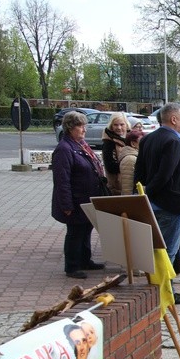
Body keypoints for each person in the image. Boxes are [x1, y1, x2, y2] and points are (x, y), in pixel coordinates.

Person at [134, 102, 180, 305]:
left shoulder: (149, 139)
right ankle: (165, 292)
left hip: (152, 203)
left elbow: (139, 172)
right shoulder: (173, 141)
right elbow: (164, 175)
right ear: (173, 119)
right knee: (168, 251)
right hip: (169, 203)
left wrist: (142, 194)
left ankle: (157, 290)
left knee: (157, 249)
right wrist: (150, 192)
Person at [51, 111, 106, 279]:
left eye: (85, 126)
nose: (84, 130)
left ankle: (85, 260)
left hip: (87, 199)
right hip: (75, 200)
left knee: (86, 229)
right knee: (75, 232)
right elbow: (62, 180)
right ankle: (72, 266)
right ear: (70, 127)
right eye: (81, 126)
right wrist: (66, 205)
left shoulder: (80, 145)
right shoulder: (64, 149)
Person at [101, 112, 128, 195]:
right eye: (115, 125)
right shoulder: (108, 143)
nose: (119, 128)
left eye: (122, 124)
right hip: (117, 187)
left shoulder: (130, 139)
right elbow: (110, 167)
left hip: (128, 183)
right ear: (111, 126)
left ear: (126, 125)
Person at [118, 129, 144, 196]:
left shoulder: (136, 156)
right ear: (133, 143)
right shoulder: (130, 159)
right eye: (142, 141)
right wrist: (129, 204)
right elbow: (127, 187)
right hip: (132, 200)